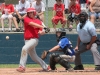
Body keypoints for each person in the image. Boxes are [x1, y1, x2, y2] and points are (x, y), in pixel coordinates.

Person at [16, 7, 50, 72]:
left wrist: (42, 32)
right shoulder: (26, 19)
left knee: (24, 49)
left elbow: (42, 32)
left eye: (31, 12)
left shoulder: (39, 21)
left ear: (34, 12)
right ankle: (46, 67)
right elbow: (32, 24)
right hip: (26, 40)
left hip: (34, 39)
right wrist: (43, 27)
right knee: (34, 57)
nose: (30, 14)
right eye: (29, 13)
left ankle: (22, 66)